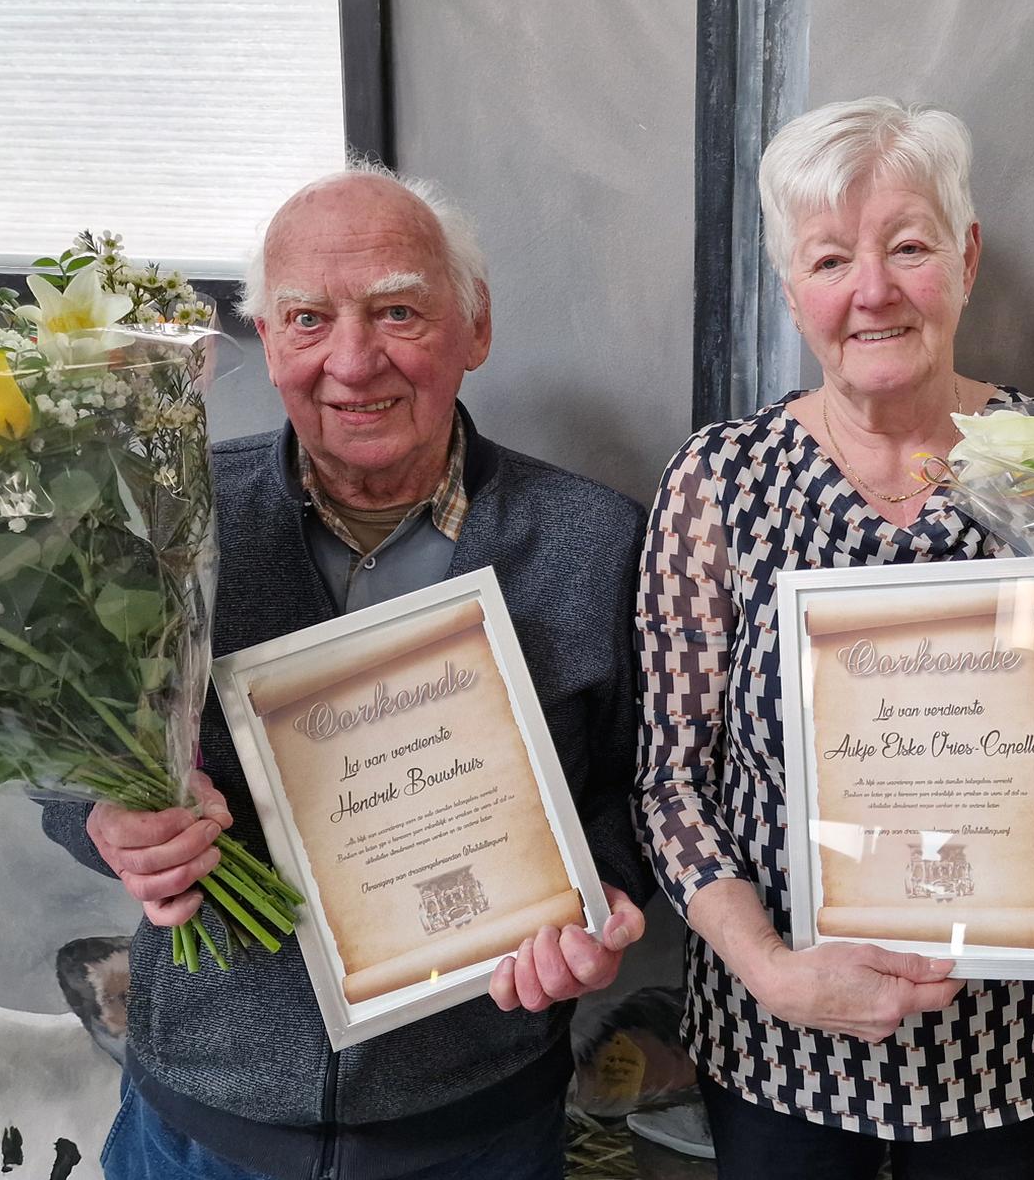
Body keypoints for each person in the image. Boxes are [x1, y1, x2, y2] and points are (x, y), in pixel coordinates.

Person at [635, 97, 1034, 1179]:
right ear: (793, 288)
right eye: (832, 258)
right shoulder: (720, 479)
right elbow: (669, 782)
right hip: (784, 1037)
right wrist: (772, 968)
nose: (874, 290)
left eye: (908, 246)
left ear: (967, 256)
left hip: (1010, 1043)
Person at [41, 164, 652, 1180]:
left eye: (398, 311)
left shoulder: (594, 539)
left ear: (476, 327)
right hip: (200, 1125)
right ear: (267, 341)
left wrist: (603, 895)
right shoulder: (165, 524)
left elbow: (644, 794)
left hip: (477, 1125)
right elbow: (62, 755)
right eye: (308, 318)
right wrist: (104, 817)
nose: (354, 361)